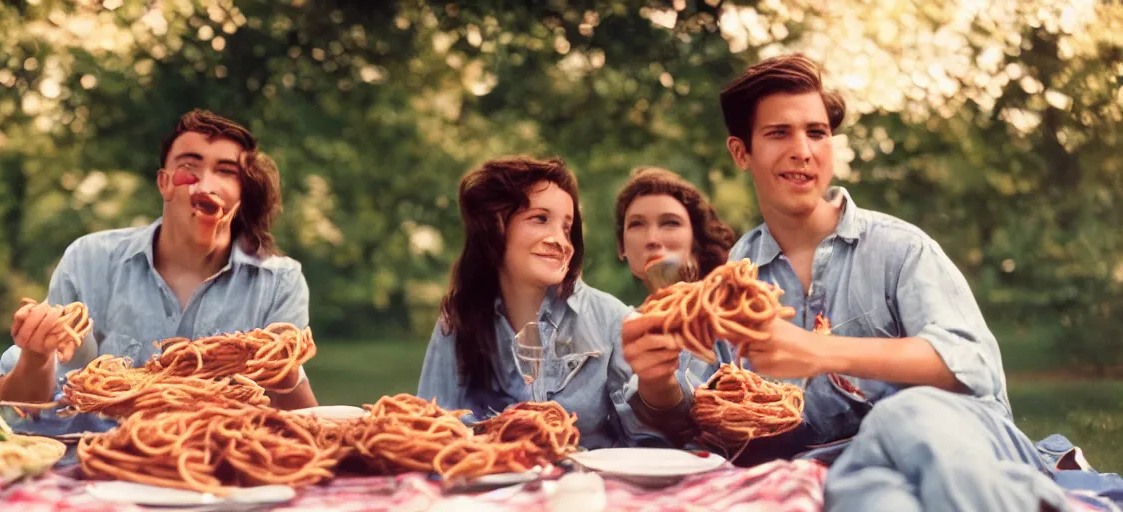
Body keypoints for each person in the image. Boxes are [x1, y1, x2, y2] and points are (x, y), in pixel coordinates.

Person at [623, 53, 1092, 511]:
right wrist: (656, 381)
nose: (802, 151)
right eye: (778, 133)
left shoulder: (900, 248)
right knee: (864, 494)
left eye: (817, 132)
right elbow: (699, 415)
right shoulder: (729, 283)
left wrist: (816, 350)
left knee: (901, 413)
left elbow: (972, 364)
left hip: (958, 437)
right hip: (843, 463)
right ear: (741, 152)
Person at [0, 109, 319, 422]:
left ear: (241, 192)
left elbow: (303, 426)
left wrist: (284, 373)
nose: (206, 185)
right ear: (165, 182)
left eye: (226, 172)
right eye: (190, 167)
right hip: (101, 467)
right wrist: (36, 357)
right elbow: (21, 411)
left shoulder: (280, 281)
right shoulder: (89, 260)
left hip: (224, 468)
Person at [416, 156, 667, 449]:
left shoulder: (612, 319)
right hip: (490, 487)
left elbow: (647, 441)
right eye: (540, 219)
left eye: (567, 227)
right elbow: (430, 431)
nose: (560, 240)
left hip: (586, 488)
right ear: (495, 226)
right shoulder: (459, 320)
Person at [611, 167, 738, 446]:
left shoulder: (732, 315)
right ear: (622, 248)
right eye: (637, 224)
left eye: (670, 223)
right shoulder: (613, 325)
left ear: (696, 241)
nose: (652, 238)